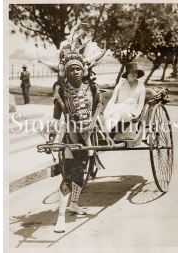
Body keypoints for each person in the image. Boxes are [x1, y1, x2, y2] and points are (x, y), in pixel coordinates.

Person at [38, 21, 113, 233]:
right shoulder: (61, 92)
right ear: (65, 72)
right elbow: (56, 118)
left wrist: (104, 134)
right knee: (68, 176)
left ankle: (74, 204)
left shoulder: (92, 89)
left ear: (84, 70)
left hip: (89, 137)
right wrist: (53, 136)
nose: (76, 73)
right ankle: (60, 217)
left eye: (79, 69)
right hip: (70, 138)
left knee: (81, 173)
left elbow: (99, 111)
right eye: (71, 70)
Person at [104, 62, 146, 132]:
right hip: (117, 108)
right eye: (132, 72)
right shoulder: (120, 85)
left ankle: (105, 133)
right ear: (127, 74)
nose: (134, 74)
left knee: (116, 115)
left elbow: (141, 103)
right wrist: (107, 111)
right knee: (108, 117)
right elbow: (113, 99)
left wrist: (137, 113)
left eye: (136, 72)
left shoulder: (141, 86)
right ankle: (103, 134)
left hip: (131, 113)